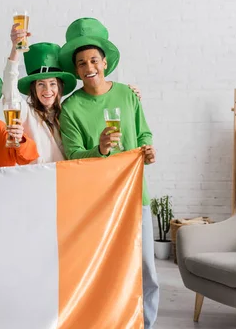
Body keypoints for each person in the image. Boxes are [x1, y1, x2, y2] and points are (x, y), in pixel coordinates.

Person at [58, 17, 159, 328]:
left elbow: (144, 134)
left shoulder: (128, 96)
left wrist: (149, 149)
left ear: (104, 62)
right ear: (76, 70)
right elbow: (73, 156)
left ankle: (147, 323)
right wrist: (100, 149)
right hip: (97, 202)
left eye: (93, 60)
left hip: (134, 195)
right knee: (104, 268)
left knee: (146, 269)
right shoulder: (70, 108)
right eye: (81, 63)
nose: (89, 67)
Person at [2, 24, 142, 163]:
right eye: (40, 84)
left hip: (67, 180)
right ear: (33, 89)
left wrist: (128, 94)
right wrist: (15, 50)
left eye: (52, 84)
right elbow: (10, 91)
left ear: (60, 87)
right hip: (39, 179)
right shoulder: (27, 114)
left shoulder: (68, 112)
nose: (47, 90)